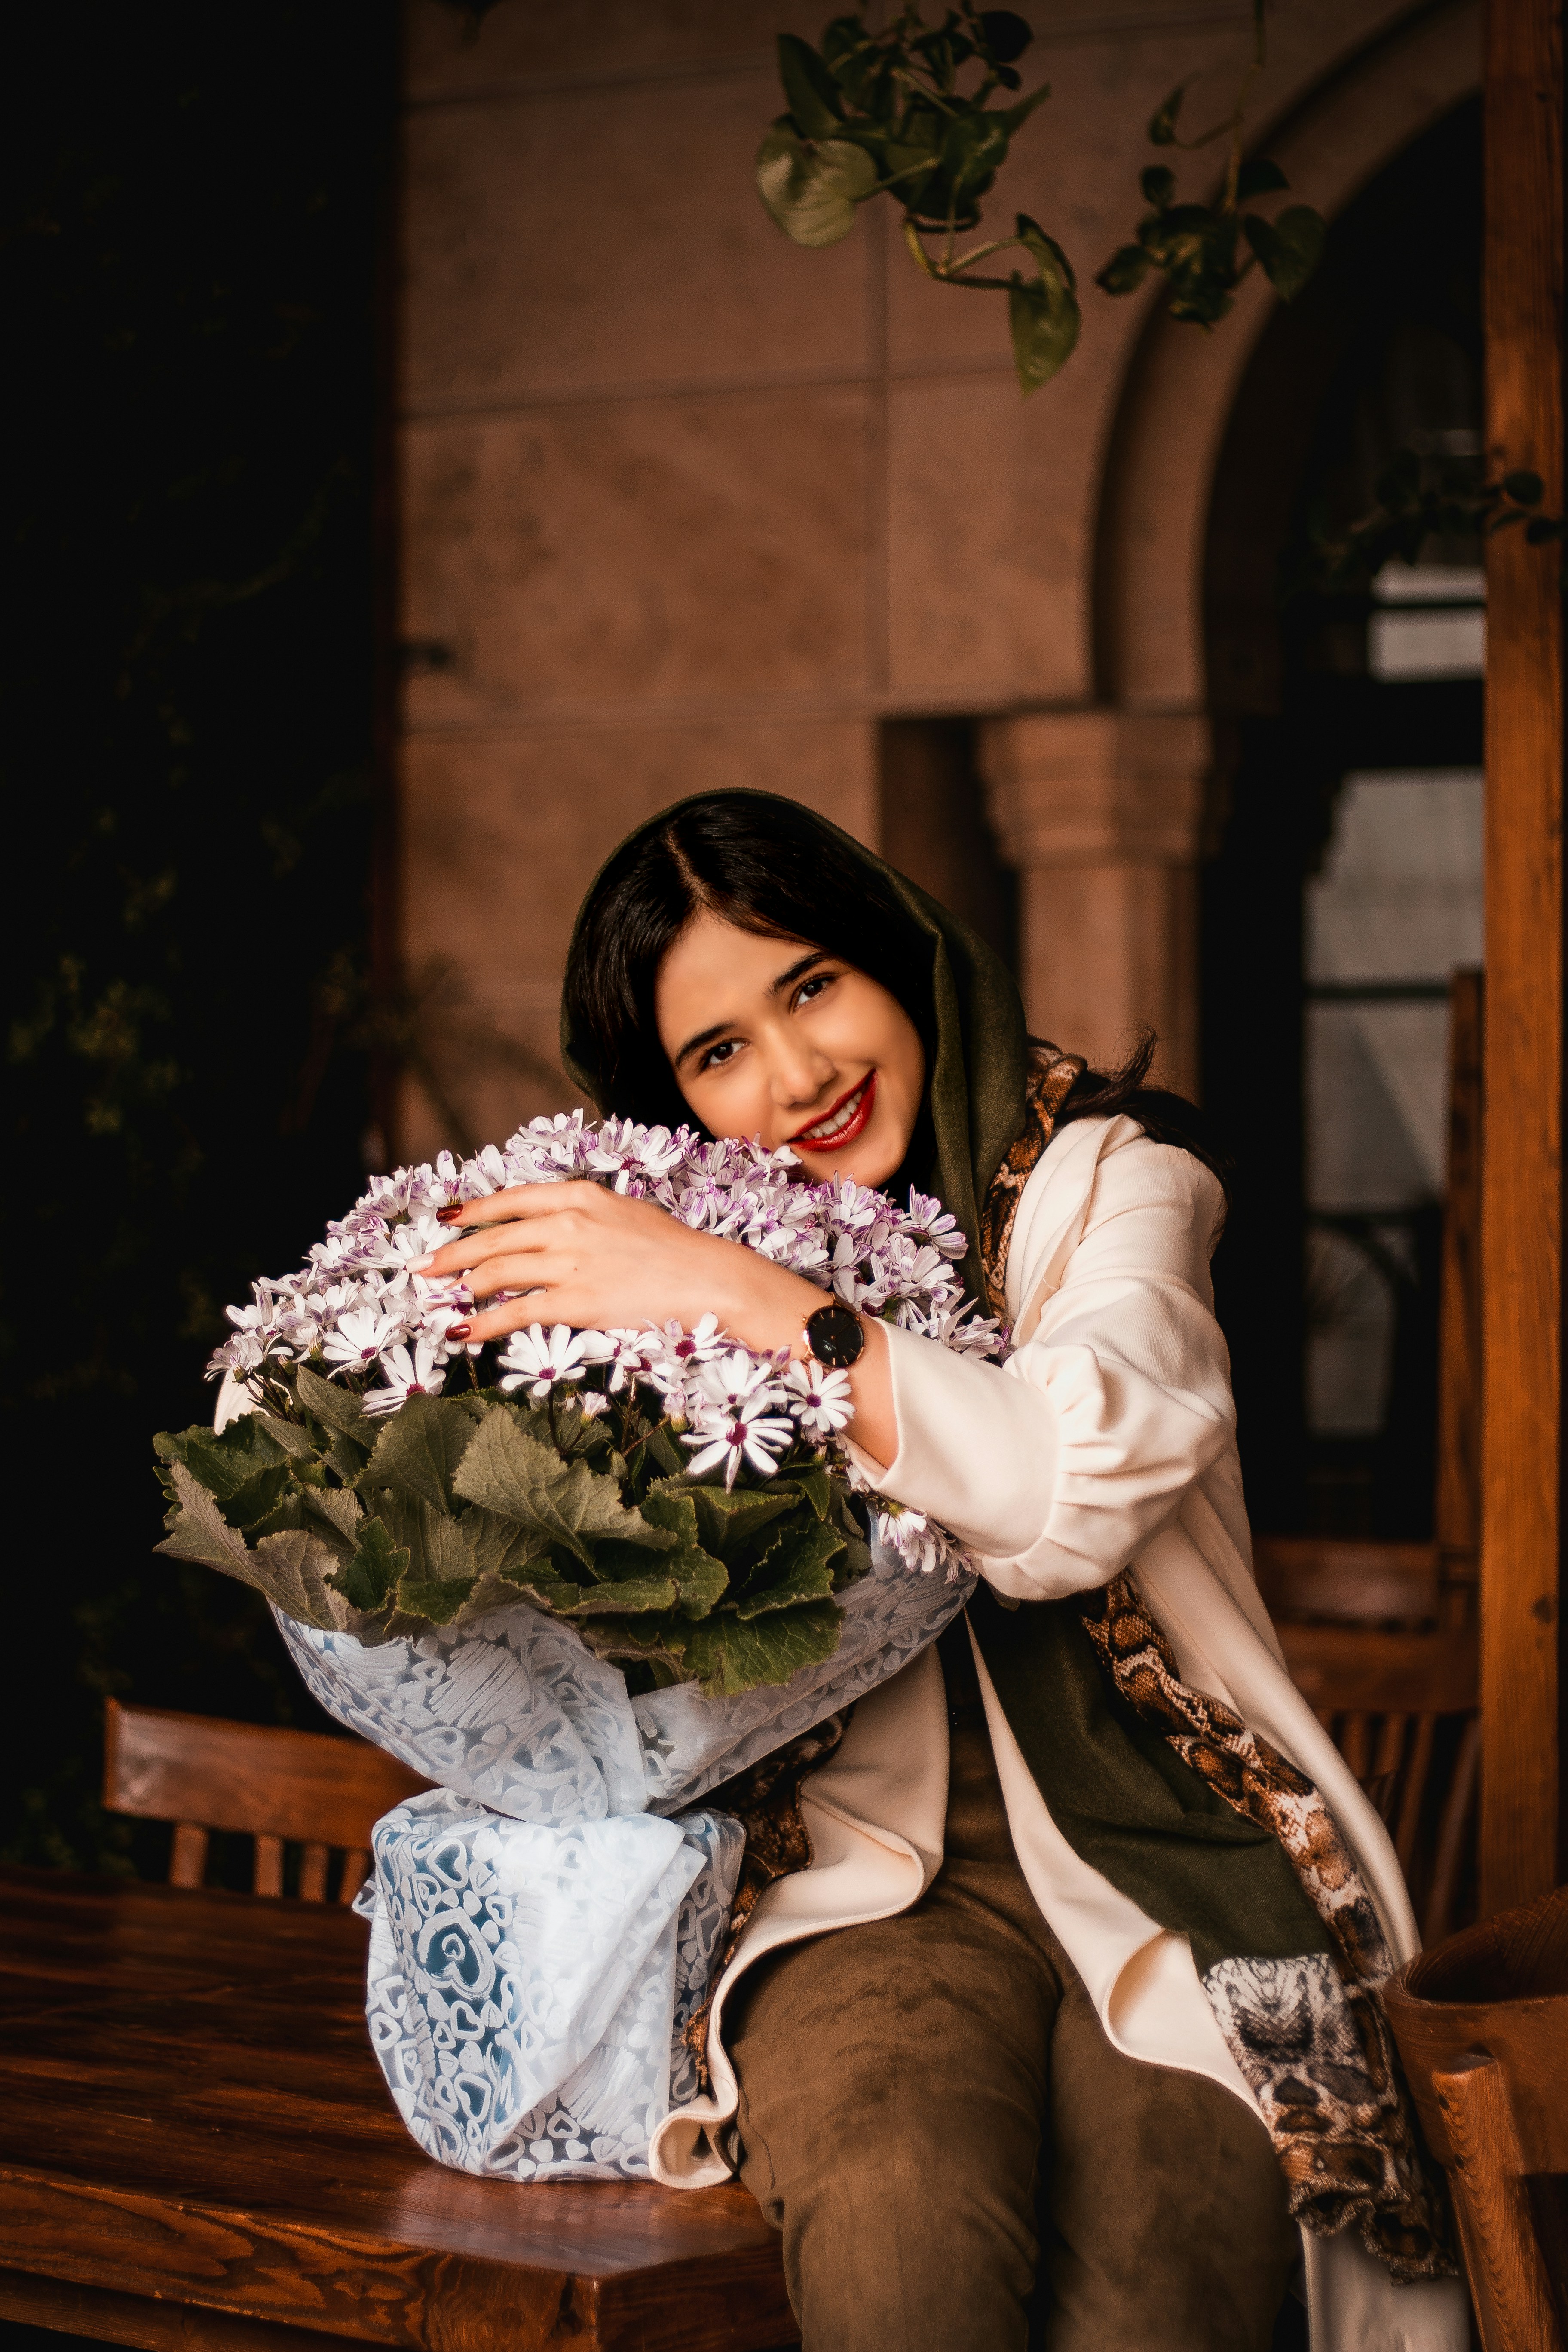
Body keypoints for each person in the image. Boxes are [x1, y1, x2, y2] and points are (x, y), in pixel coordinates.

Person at [420, 790, 1468, 2352]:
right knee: (904, 2245)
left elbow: (1075, 1485)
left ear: (903, 960)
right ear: (668, 1101)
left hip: (1172, 1864)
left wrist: (754, 1302)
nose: (796, 1078)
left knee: (1168, 2284)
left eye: (811, 986)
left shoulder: (1109, 1186)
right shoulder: (626, 1278)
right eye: (718, 1054)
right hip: (856, 1884)